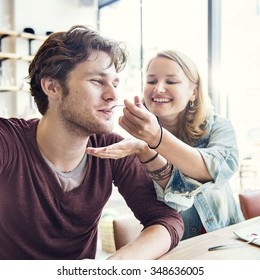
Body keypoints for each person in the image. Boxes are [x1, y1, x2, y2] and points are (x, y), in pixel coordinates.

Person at [0, 27, 184, 260]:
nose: (113, 96)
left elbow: (167, 220)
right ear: (53, 87)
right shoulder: (8, 141)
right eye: (97, 81)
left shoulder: (111, 149)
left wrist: (116, 265)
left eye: (115, 84)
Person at [86, 49, 244, 240]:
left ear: (193, 92)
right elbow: (169, 204)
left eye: (171, 81)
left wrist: (156, 138)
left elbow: (219, 169)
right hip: (175, 248)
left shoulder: (217, 126)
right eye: (151, 81)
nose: (158, 88)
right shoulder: (135, 144)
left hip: (228, 238)